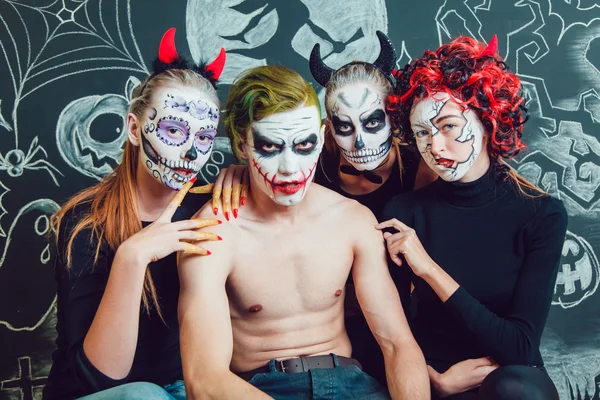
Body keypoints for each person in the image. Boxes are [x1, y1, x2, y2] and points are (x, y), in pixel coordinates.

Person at [178, 65, 429, 399]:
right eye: (270, 148)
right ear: (242, 145)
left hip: (352, 384)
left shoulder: (352, 219)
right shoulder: (212, 232)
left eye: (304, 144)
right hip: (261, 389)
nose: (290, 168)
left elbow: (398, 345)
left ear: (322, 136)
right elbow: (204, 379)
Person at [378, 35, 568, 400]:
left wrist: (428, 269)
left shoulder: (541, 214)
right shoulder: (404, 214)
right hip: (430, 376)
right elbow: (390, 331)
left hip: (510, 380)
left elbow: (520, 348)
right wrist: (435, 381)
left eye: (448, 126)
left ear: (487, 120)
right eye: (422, 133)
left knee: (514, 388)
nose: (435, 146)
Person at [43, 28, 226, 400]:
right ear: (134, 128)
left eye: (205, 138)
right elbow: (102, 380)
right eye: (174, 130)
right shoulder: (85, 221)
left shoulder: (211, 208)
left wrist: (241, 176)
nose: (192, 153)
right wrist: (132, 256)